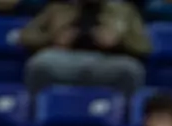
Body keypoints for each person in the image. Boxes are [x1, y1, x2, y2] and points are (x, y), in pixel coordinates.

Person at [20, 0, 151, 95]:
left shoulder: (124, 10)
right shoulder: (58, 7)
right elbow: (25, 36)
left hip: (107, 61)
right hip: (64, 60)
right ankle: (37, 113)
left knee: (131, 70)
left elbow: (144, 46)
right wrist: (52, 39)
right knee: (38, 64)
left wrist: (119, 41)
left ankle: (124, 119)